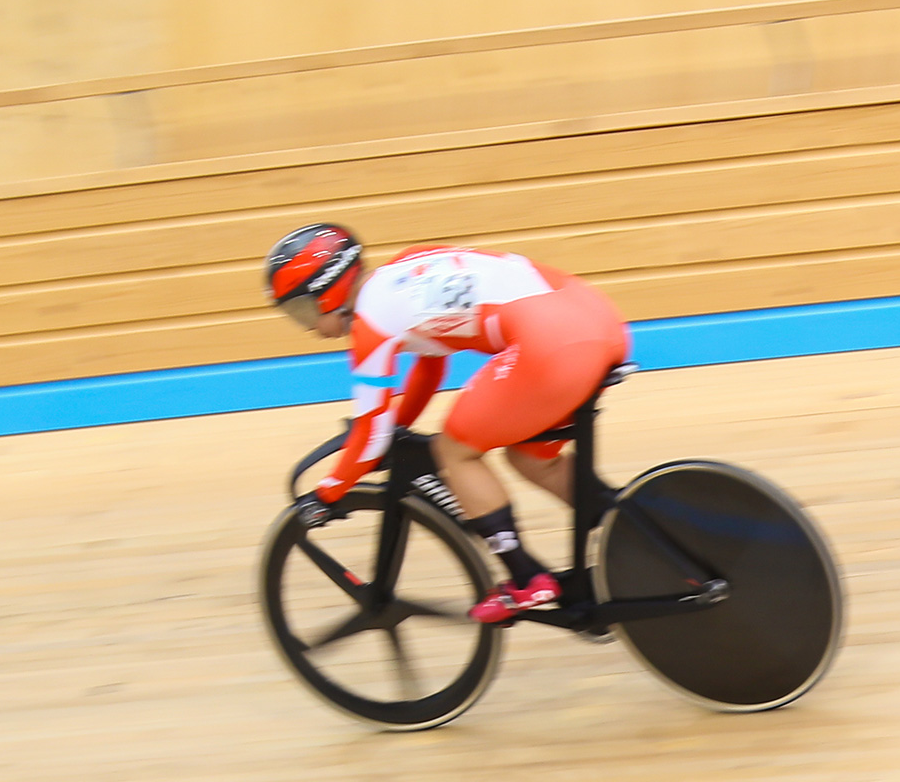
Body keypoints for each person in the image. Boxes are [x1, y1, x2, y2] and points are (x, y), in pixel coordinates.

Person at [264, 223, 630, 622]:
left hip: (553, 345)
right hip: (599, 323)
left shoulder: (371, 325)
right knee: (530, 458)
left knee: (453, 450)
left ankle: (526, 579)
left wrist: (328, 494)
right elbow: (429, 369)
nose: (309, 326)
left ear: (328, 289)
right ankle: (632, 528)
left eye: (302, 310)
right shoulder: (405, 267)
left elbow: (370, 432)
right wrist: (397, 426)